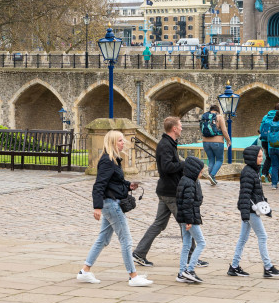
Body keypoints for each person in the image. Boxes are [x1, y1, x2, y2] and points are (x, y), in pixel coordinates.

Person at [76, 130, 152, 287]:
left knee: (103, 239)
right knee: (126, 240)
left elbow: (115, 181)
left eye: (122, 140)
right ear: (111, 143)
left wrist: (128, 185)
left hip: (111, 203)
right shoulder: (107, 161)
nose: (123, 142)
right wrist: (97, 207)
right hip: (110, 204)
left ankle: (85, 271)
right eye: (119, 140)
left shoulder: (113, 160)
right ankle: (133, 276)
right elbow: (99, 185)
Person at [133, 117, 207, 268]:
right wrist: (183, 163)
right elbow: (167, 167)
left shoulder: (169, 144)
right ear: (173, 128)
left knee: (159, 224)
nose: (181, 128)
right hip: (171, 192)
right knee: (186, 221)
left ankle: (139, 253)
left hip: (166, 190)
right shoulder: (166, 145)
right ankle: (191, 257)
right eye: (180, 126)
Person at [228, 145, 279, 278]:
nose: (262, 158)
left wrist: (266, 207)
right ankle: (268, 267)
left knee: (243, 238)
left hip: (250, 210)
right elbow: (244, 194)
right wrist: (245, 214)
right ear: (252, 157)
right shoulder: (248, 172)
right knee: (263, 236)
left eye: (261, 156)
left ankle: (234, 266)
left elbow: (258, 193)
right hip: (250, 210)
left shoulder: (253, 171)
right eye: (259, 156)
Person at [175, 156, 206, 284]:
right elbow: (187, 203)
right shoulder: (190, 183)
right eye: (200, 171)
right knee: (201, 243)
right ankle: (190, 270)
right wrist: (189, 221)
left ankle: (182, 272)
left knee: (187, 245)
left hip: (185, 217)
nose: (201, 174)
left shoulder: (185, 180)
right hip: (190, 218)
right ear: (194, 170)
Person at [199, 104, 231, 185]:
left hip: (205, 142)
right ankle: (212, 175)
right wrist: (228, 140)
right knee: (220, 160)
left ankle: (212, 178)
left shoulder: (204, 116)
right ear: (217, 110)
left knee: (211, 160)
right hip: (217, 142)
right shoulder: (219, 116)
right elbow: (224, 130)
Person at [258, 103, 279, 183]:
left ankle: (263, 173)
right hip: (273, 141)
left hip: (264, 140)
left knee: (268, 157)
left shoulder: (266, 116)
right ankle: (275, 177)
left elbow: (260, 128)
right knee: (277, 159)